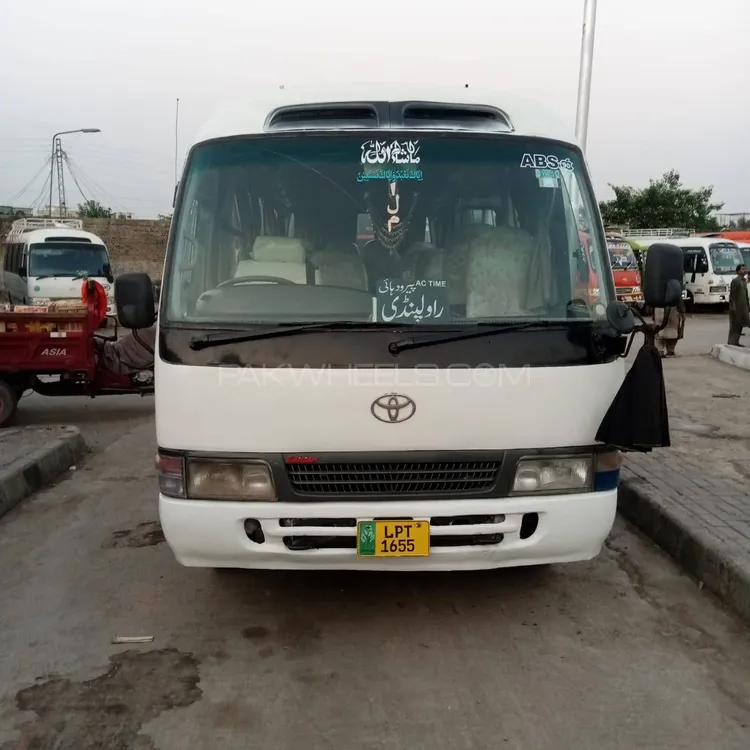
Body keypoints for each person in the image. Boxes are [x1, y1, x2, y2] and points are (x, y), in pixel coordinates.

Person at [728, 264, 750, 346]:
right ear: (738, 271)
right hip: (737, 308)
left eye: (745, 269)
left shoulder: (744, 281)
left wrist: (748, 306)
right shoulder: (735, 281)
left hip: (744, 307)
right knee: (735, 326)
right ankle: (732, 342)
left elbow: (746, 295)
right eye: (742, 269)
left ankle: (735, 342)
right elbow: (732, 295)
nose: (744, 270)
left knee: (741, 324)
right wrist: (733, 307)